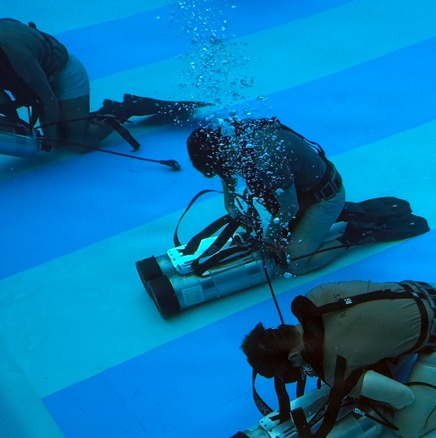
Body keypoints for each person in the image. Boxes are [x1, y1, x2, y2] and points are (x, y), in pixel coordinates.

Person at [240, 280, 436, 438]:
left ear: (293, 355)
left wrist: (355, 386)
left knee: (409, 429)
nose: (294, 376)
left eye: (287, 371)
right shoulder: (315, 297)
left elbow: (405, 397)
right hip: (423, 290)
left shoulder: (338, 362)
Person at [1, 18, 203, 151]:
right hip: (43, 78)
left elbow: (47, 99)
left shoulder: (17, 54)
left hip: (65, 73)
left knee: (80, 143)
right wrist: (17, 127)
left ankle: (125, 108)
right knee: (62, 137)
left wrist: (49, 139)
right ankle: (81, 118)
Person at [186, 118, 348, 275]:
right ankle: (308, 224)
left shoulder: (266, 158)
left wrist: (268, 241)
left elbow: (289, 208)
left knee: (293, 263)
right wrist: (230, 205)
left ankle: (352, 237)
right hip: (303, 189)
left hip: (326, 198)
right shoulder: (232, 137)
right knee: (276, 232)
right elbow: (226, 170)